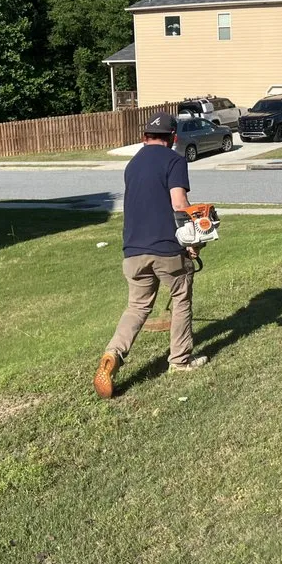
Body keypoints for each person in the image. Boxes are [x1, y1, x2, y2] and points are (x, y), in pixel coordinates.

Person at [93, 112, 207, 399]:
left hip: (132, 251)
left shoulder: (132, 165)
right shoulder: (174, 160)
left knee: (137, 308)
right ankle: (180, 361)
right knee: (181, 299)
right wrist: (193, 239)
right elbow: (179, 203)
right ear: (174, 139)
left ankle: (112, 355)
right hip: (166, 248)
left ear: (144, 137)